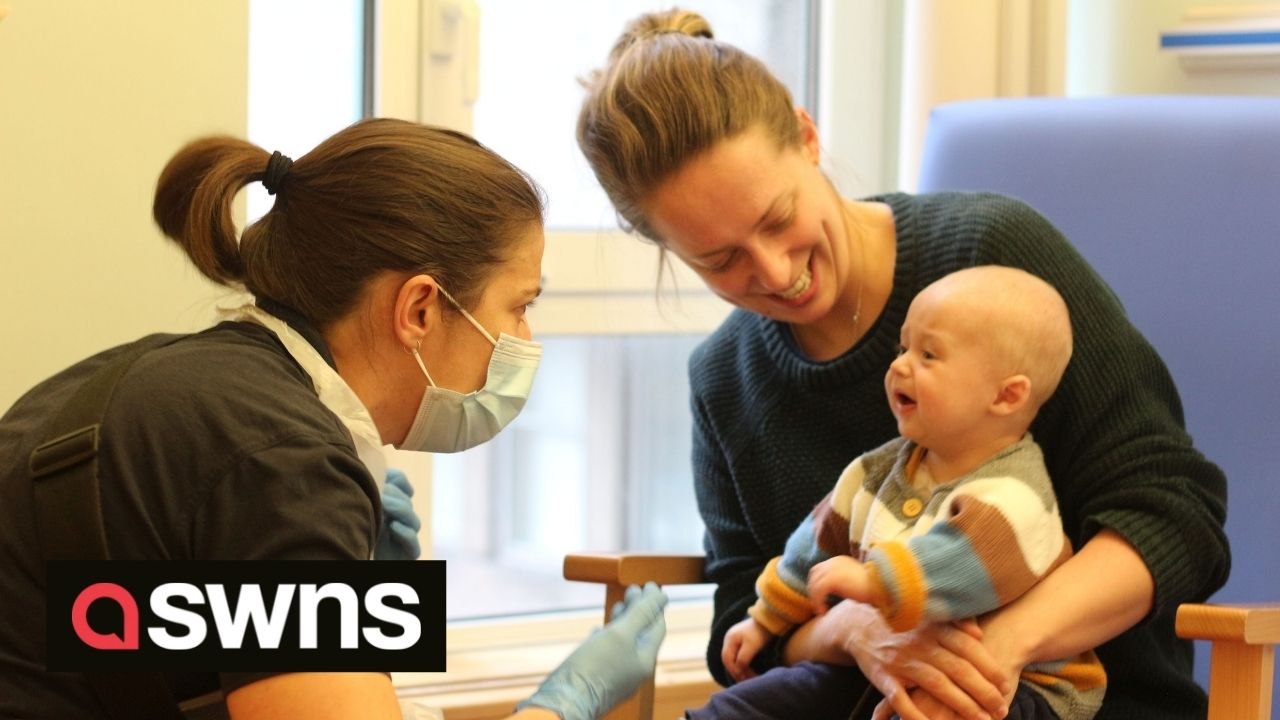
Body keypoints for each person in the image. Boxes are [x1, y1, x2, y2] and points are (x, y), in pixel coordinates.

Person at [576, 9, 1228, 720]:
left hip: (1067, 698)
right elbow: (743, 627)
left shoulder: (993, 258)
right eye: (720, 259)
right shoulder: (723, 380)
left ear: (807, 135)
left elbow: (1172, 512)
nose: (774, 271)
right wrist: (859, 632)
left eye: (776, 218)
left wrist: (983, 658)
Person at [0, 118, 667, 720]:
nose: (526, 335)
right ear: (419, 311)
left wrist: (356, 614)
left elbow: (108, 625)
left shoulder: (165, 383)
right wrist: (559, 709)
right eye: (520, 305)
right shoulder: (285, 464)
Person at [701, 266, 1101, 720]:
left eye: (928, 354)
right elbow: (812, 546)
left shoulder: (1018, 494)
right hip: (883, 658)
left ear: (1006, 397)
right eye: (903, 347)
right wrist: (765, 618)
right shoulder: (874, 472)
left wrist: (875, 582)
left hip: (1019, 683)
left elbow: (968, 560)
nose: (898, 365)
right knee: (745, 706)